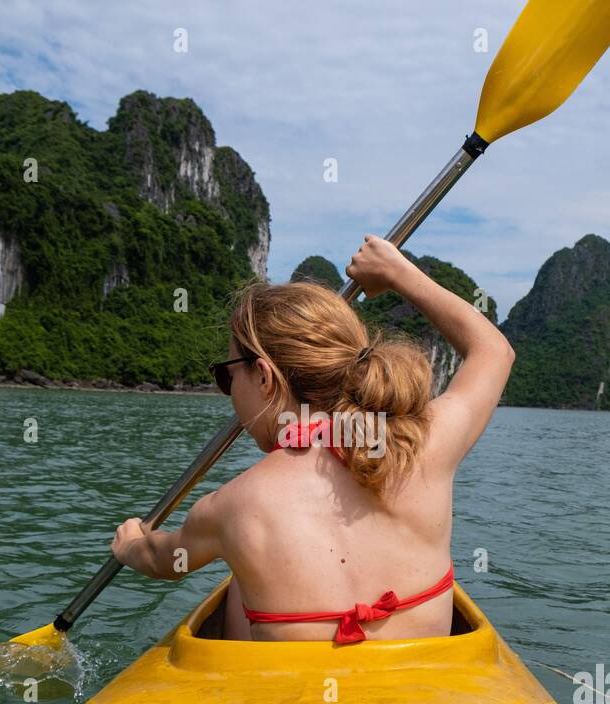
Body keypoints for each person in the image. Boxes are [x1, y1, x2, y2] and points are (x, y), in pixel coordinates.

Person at [111, 235, 514, 642]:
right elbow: (494, 351)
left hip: (295, 698)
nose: (228, 390)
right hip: (425, 694)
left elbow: (164, 560)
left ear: (265, 377)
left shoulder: (229, 508)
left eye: (227, 375)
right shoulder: (427, 444)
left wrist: (130, 546)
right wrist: (397, 272)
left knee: (240, 583)